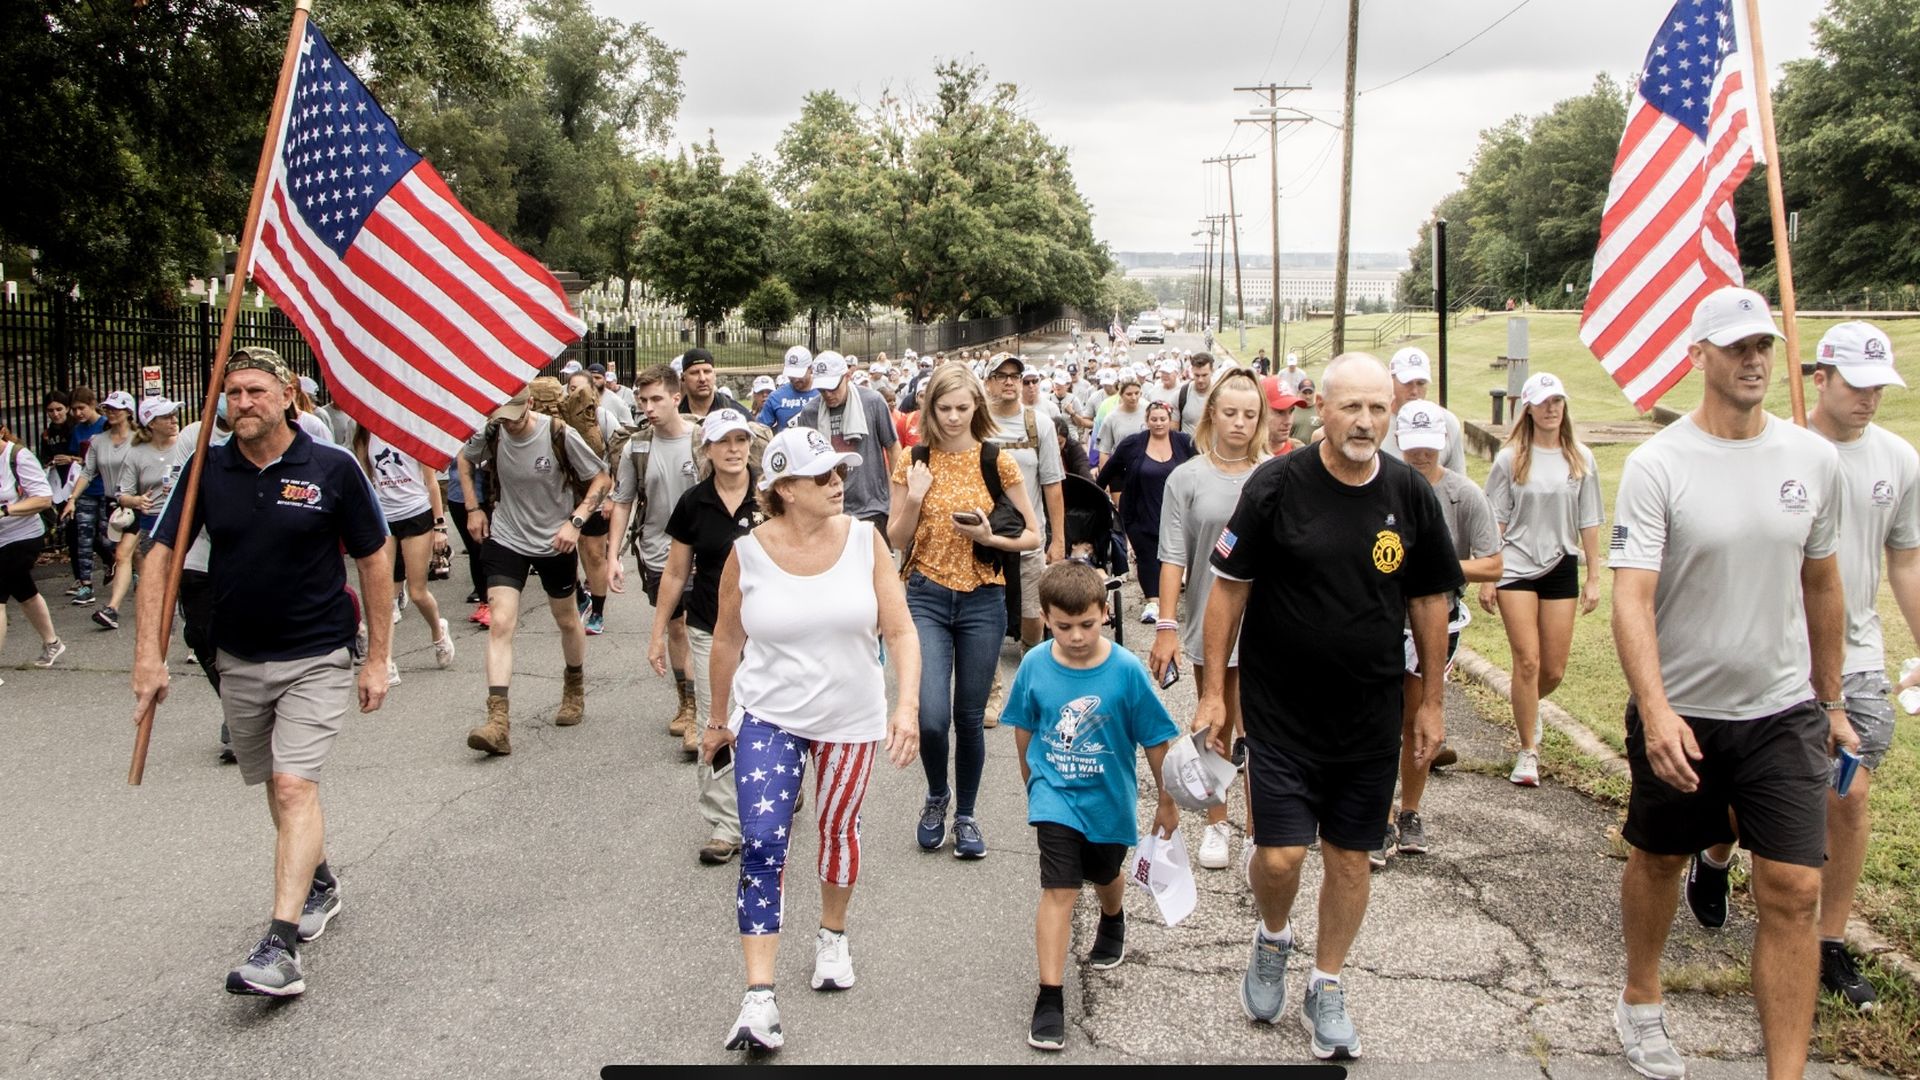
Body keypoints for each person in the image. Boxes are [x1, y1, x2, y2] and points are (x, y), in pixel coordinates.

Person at [1607, 287, 1849, 1080]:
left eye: (1764, 346)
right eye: (1737, 346)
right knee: (1660, 859)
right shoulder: (1659, 464)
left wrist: (1832, 699)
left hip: (1782, 712)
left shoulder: (1812, 458)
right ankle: (1641, 1000)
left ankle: (1786, 1072)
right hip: (1683, 710)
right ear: (1699, 355)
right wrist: (1655, 708)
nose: (1754, 359)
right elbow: (1633, 594)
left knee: (1791, 890)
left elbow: (1822, 583)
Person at [1199, 352, 1462, 1061]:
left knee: (1351, 859)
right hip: (1281, 712)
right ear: (1323, 408)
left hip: (1369, 716)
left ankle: (1327, 981)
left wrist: (1431, 702)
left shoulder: (1410, 493)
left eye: (1380, 409)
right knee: (1281, 858)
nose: (1367, 422)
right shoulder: (1277, 484)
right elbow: (1228, 587)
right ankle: (1273, 936)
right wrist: (1212, 694)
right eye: (1353, 408)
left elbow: (1431, 600)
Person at [131, 346, 394, 997]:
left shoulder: (331, 468)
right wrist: (148, 656)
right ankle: (320, 882)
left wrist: (380, 657)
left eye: (254, 391)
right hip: (239, 659)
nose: (241, 403)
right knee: (275, 790)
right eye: (232, 392)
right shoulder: (205, 470)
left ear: (285, 396)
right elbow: (159, 556)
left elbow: (374, 558)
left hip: (316, 657)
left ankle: (278, 948)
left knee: (291, 786)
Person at [1686, 321, 1915, 1012]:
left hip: (1857, 657)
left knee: (1847, 794)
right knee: (1741, 794)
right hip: (1774, 653)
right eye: (1855, 385)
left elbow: (1904, 558)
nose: (1869, 399)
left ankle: (1830, 943)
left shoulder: (1899, 461)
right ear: (1820, 379)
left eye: (1880, 387)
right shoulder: (1776, 451)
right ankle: (1718, 851)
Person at [705, 426, 921, 1053]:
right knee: (763, 843)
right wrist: (718, 719)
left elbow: (901, 631)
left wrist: (904, 707)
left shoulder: (864, 541)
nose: (838, 483)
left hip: (851, 717)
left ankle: (832, 935)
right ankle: (759, 996)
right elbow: (726, 638)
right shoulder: (746, 553)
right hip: (769, 715)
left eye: (840, 473)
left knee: (837, 828)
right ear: (785, 489)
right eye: (822, 475)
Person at [1006, 560, 1181, 1051]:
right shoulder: (1036, 664)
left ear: (1106, 613)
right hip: (1054, 795)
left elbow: (1157, 742)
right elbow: (1024, 726)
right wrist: (1032, 780)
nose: (1077, 636)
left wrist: (1167, 805)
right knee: (1059, 888)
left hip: (1110, 798)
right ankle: (1050, 997)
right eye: (1064, 626)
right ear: (1045, 618)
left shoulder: (1125, 671)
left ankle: (1113, 915)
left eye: (1087, 624)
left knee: (1105, 872)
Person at [888, 364, 1041, 858]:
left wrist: (988, 537)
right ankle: (936, 797)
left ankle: (967, 815)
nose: (953, 417)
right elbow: (895, 538)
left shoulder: (998, 461)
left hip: (983, 598)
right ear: (929, 409)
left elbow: (1034, 535)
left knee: (969, 716)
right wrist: (914, 496)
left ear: (977, 407)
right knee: (931, 716)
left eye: (962, 407)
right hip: (926, 595)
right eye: (943, 408)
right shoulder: (913, 460)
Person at [1152, 369, 1269, 871]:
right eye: (1230, 412)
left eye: (1250, 414)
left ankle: (1263, 831)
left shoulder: (1273, 475)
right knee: (1212, 720)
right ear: (1211, 415)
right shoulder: (1187, 477)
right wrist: (1166, 624)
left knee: (1262, 730)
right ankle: (1217, 822)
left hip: (1268, 623)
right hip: (1209, 619)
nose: (1239, 423)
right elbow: (1173, 555)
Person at [1376, 401, 1502, 865]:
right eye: (1413, 448)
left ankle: (1409, 810)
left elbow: (1492, 562)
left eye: (1429, 448)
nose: (1421, 456)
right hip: (1384, 618)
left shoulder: (1463, 494)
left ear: (1443, 444)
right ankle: (1379, 811)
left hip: (1436, 621)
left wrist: (1440, 568)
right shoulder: (1384, 488)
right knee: (1381, 717)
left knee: (1418, 716)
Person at [457, 377, 610, 755]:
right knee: (501, 622)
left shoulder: (556, 433)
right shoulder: (493, 431)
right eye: (501, 417)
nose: (508, 423)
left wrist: (575, 521)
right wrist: (474, 509)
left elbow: (601, 478)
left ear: (529, 405)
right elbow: (463, 458)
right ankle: (498, 722)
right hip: (507, 536)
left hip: (553, 541)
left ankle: (574, 686)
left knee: (566, 619)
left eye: (513, 415)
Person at [1479, 371, 1603, 787]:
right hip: (1515, 565)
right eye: (1544, 402)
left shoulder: (1581, 458)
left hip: (1561, 564)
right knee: (1527, 661)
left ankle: (1526, 707)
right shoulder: (1510, 457)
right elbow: (1494, 518)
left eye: (1558, 401)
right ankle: (1528, 750)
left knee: (1552, 669)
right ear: (1527, 408)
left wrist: (1595, 577)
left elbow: (1589, 520)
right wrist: (1488, 574)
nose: (1552, 409)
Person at [646, 409, 757, 864]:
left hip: (770, 631)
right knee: (717, 720)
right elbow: (675, 572)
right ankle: (725, 824)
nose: (733, 449)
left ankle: (781, 787)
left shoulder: (774, 497)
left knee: (771, 719)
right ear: (706, 450)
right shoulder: (693, 502)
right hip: (711, 626)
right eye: (723, 441)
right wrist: (657, 634)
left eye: (740, 439)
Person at [608, 366, 703, 750]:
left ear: (676, 398)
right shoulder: (637, 448)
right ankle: (685, 701)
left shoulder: (701, 440)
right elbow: (622, 502)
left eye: (656, 399)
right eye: (642, 401)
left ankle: (698, 710)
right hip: (655, 552)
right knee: (676, 628)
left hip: (701, 553)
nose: (648, 408)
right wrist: (612, 556)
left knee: (697, 629)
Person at [351, 427, 455, 683]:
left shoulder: (412, 431)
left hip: (416, 513)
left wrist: (440, 525)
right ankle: (385, 661)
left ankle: (438, 632)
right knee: (384, 593)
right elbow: (366, 478)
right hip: (384, 517)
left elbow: (431, 483)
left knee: (418, 592)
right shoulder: (365, 435)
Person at [984, 353, 1066, 648]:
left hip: (1029, 538)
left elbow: (1052, 484)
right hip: (984, 540)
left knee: (1033, 614)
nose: (1009, 382)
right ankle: (991, 690)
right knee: (985, 616)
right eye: (1001, 376)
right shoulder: (975, 425)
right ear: (988, 382)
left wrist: (1057, 541)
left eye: (1014, 376)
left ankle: (1028, 669)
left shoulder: (1040, 424)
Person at [93, 398, 191, 630]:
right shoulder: (136, 454)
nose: (174, 420)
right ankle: (163, 634)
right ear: (151, 423)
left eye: (174, 414)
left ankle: (192, 638)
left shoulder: (186, 445)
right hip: (152, 524)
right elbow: (122, 494)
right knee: (158, 580)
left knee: (186, 578)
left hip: (185, 520)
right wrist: (136, 500)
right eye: (166, 416)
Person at [1097, 400, 1196, 627]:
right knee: (1147, 555)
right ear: (1147, 421)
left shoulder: (1184, 442)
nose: (1159, 423)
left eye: (1163, 419)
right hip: (1140, 511)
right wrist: (1096, 492)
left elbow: (1199, 467)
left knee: (1172, 556)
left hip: (1176, 512)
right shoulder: (1133, 444)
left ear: (1170, 421)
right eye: (1154, 419)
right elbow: (1110, 469)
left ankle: (1172, 602)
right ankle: (1153, 602)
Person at [795, 351, 897, 535]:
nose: (828, 394)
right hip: (828, 511)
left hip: (871, 507)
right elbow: (804, 464)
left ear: (847, 377)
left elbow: (893, 448)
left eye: (833, 387)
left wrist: (897, 498)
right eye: (822, 389)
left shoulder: (873, 402)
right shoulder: (810, 412)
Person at [61, 389, 133, 607]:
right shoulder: (98, 441)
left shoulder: (140, 440)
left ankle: (139, 577)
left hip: (130, 501)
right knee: (85, 538)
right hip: (102, 496)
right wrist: (72, 498)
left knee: (122, 546)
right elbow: (86, 471)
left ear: (128, 411)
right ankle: (90, 588)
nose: (110, 412)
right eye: (108, 408)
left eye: (116, 408)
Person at [0, 435, 66, 673]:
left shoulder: (18, 457)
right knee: (23, 590)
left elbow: (43, 499)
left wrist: (6, 510)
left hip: (23, 536)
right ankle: (52, 643)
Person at [1382, 348, 1467, 475]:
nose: (1414, 391)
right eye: (1407, 383)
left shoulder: (1447, 422)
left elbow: (1457, 481)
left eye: (1421, 383)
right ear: (1390, 380)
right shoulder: (1378, 422)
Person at [758, 346, 818, 430]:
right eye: (792, 375)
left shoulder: (824, 393)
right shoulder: (775, 397)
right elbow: (761, 430)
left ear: (811, 369)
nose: (796, 379)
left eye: (799, 375)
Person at [1094, 377, 1147, 464]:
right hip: (1122, 466)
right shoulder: (1111, 417)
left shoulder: (1148, 411)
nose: (1134, 397)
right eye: (1129, 394)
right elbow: (1104, 451)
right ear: (1121, 395)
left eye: (1137, 393)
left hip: (1145, 465)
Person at [680, 348, 743, 422]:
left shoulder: (737, 414)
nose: (702, 379)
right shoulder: (673, 416)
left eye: (707, 371)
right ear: (683, 378)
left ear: (714, 375)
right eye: (695, 373)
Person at [1263, 381, 1309, 456]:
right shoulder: (1244, 455)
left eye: (1291, 411)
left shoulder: (1300, 452)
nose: (1288, 421)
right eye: (1280, 412)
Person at [1175, 352, 1216, 432]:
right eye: (1197, 375)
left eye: (1204, 375)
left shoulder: (1222, 395)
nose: (1200, 380)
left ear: (1212, 371)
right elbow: (1173, 430)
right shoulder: (1181, 394)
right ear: (1192, 371)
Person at [1053, 414, 1093, 482]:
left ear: (1066, 438)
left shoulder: (1074, 447)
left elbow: (1082, 465)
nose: (1057, 447)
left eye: (1060, 443)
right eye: (1053, 444)